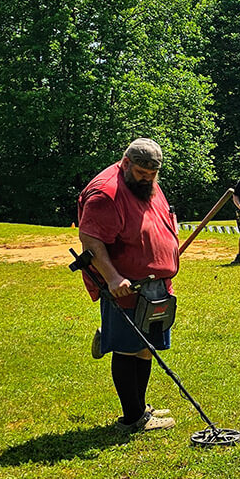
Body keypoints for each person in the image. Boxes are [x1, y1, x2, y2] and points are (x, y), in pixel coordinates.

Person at [78, 138, 179, 432]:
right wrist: (112, 278)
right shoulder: (106, 194)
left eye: (152, 175)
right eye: (141, 174)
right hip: (127, 286)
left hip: (155, 285)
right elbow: (91, 240)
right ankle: (132, 417)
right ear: (125, 163)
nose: (148, 180)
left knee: (146, 346)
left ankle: (139, 404)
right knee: (127, 348)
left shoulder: (145, 184)